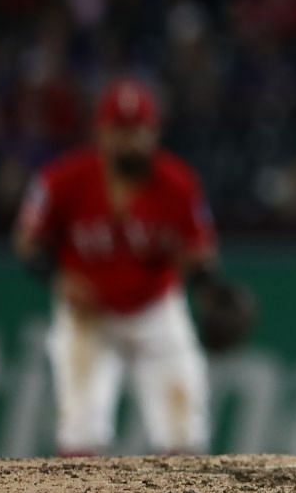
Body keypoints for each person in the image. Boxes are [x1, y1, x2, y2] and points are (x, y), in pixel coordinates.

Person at [13, 76, 218, 454]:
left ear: (154, 130)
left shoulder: (178, 182)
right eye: (122, 130)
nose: (132, 140)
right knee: (80, 434)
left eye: (139, 129)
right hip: (88, 317)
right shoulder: (63, 179)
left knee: (185, 434)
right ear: (101, 131)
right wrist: (57, 276)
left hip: (156, 310)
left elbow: (199, 249)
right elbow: (27, 240)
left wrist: (208, 287)